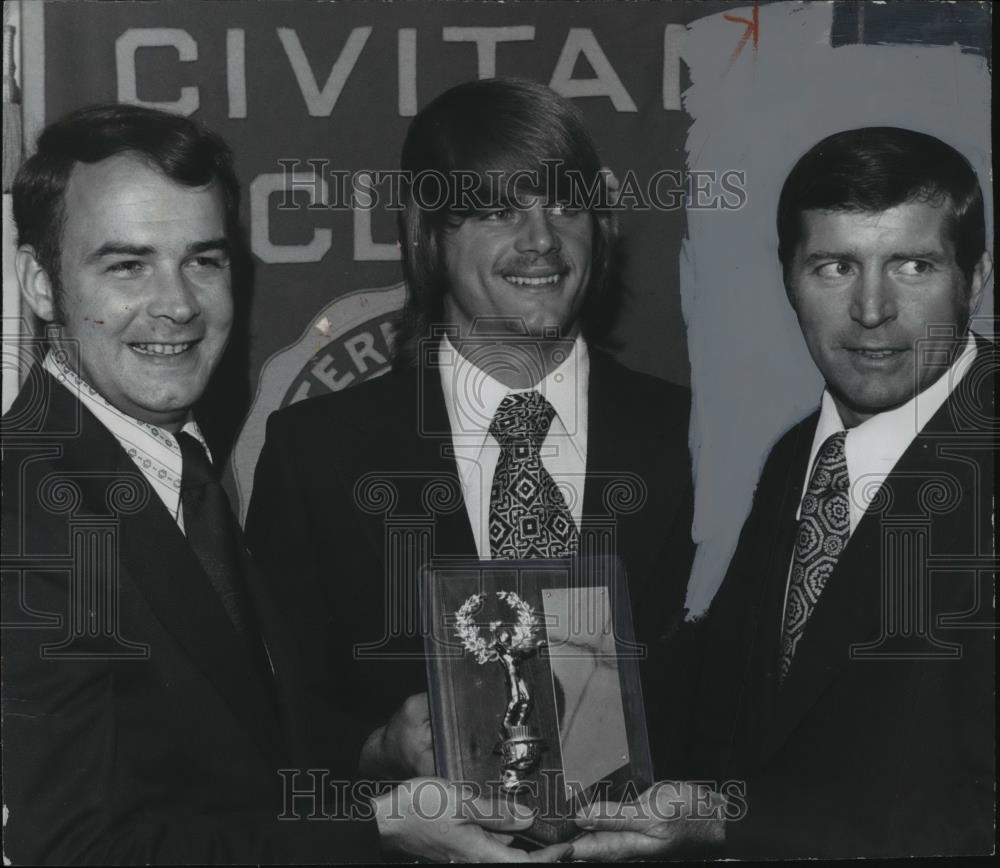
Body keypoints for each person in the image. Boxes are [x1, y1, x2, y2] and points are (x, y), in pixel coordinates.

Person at [0, 103, 570, 864]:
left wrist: (379, 765)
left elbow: (245, 776)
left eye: (204, 259)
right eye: (128, 264)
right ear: (40, 284)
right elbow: (78, 848)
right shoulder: (26, 512)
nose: (178, 303)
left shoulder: (175, 469)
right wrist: (381, 827)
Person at [246, 78, 696, 786]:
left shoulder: (703, 441)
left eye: (564, 202)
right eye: (494, 209)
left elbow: (751, 710)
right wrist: (378, 749)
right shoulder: (318, 456)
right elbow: (271, 723)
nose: (541, 239)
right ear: (426, 236)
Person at [571, 127, 995, 859]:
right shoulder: (805, 451)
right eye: (835, 267)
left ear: (975, 279)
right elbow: (749, 689)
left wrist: (724, 819)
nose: (871, 309)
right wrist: (541, 702)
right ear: (788, 278)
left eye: (913, 266)